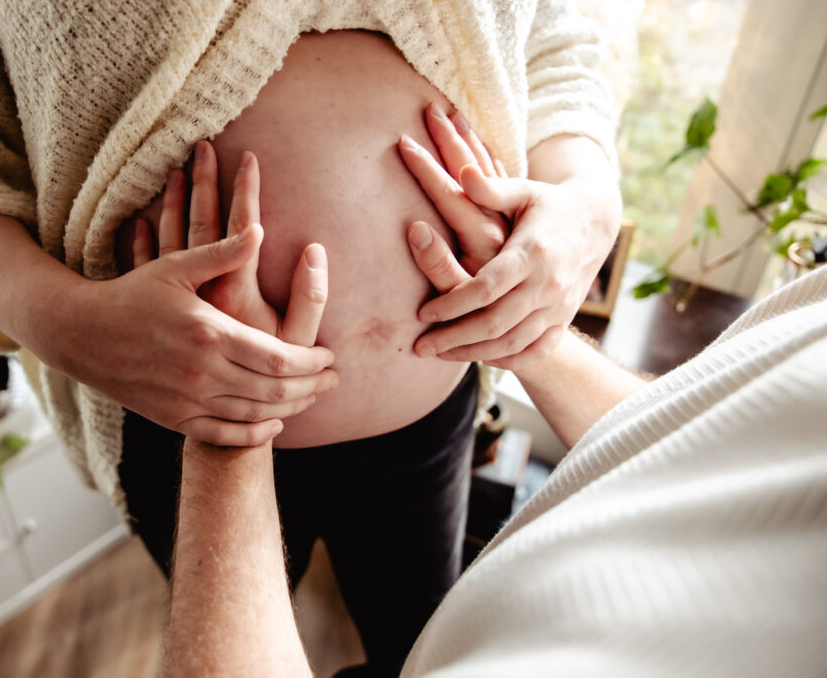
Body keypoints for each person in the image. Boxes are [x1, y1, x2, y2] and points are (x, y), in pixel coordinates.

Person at [0, 0, 622, 672]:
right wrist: (63, 321)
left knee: (424, 637)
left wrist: (587, 195)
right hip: (174, 417)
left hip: (435, 404)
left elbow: (554, 31)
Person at [161, 112, 827, 677]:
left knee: (411, 618)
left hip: (307, 416)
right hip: (195, 394)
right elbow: (713, 447)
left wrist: (230, 426)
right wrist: (528, 331)